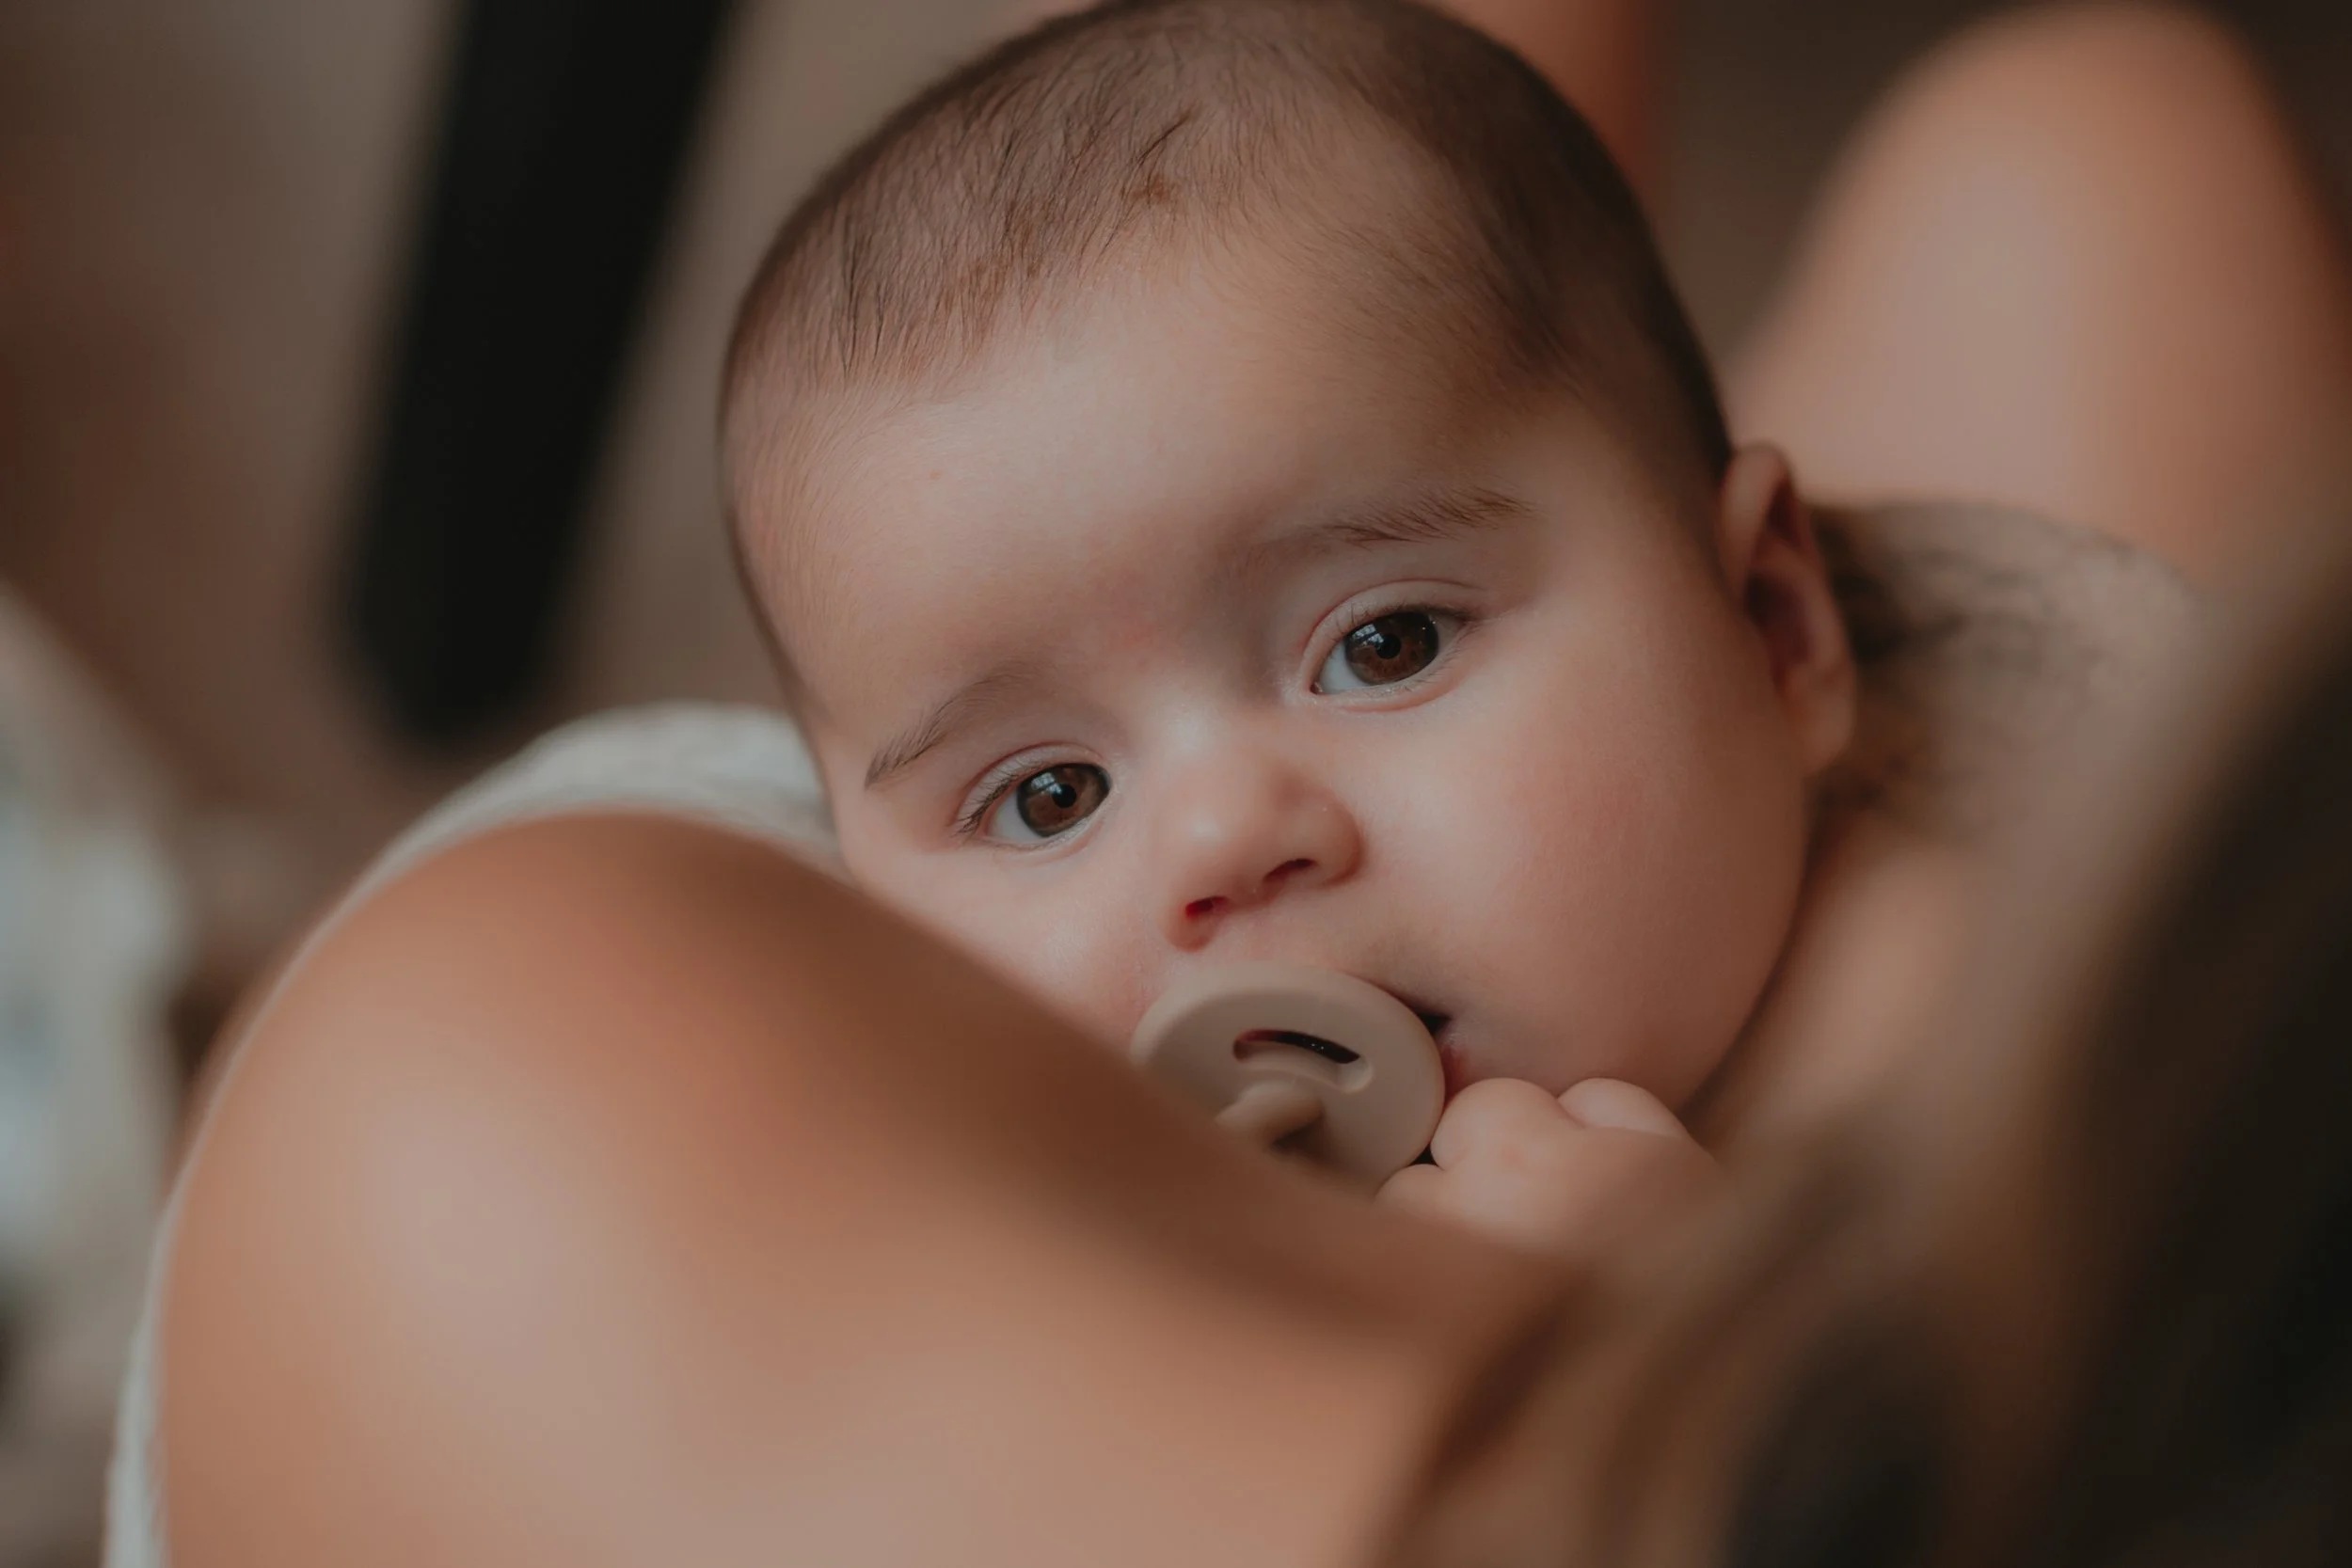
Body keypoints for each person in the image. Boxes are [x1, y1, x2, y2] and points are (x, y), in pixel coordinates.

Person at [128, 3, 2347, 1564]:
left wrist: (1659, 1366)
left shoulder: (1988, 1003)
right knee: (2065, 134)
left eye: (1383, 645)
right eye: (1042, 801)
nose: (1219, 841)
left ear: (1779, 625)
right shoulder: (1010, 1157)